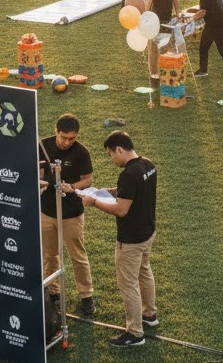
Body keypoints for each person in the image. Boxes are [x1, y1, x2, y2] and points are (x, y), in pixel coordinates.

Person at [79, 131, 157, 349]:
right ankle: (150, 315)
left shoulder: (128, 174)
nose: (112, 159)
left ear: (119, 150)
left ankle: (135, 333)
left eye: (111, 154)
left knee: (128, 284)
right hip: (148, 232)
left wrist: (94, 202)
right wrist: (104, 191)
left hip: (130, 240)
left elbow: (122, 209)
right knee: (144, 271)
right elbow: (129, 192)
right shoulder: (148, 165)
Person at [39, 114, 95, 316]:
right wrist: (39, 180)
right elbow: (37, 170)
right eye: (63, 137)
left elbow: (87, 180)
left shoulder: (81, 152)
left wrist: (72, 187)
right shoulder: (43, 146)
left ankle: (86, 296)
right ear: (56, 131)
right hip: (46, 212)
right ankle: (53, 292)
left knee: (78, 256)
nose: (67, 142)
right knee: (49, 255)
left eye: (72, 138)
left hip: (71, 214)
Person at [145, 0, 181, 81]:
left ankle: (154, 73)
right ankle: (165, 71)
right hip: (167, 19)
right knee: (165, 45)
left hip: (155, 19)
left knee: (153, 47)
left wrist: (145, 13)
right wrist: (179, 15)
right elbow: (176, 2)